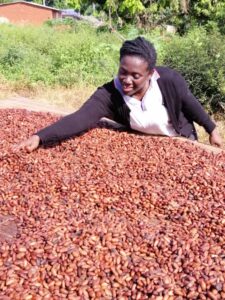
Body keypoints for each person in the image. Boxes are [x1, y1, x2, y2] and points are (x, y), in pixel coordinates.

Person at [15, 36, 222, 152]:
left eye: (136, 75)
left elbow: (190, 103)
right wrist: (40, 137)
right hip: (146, 145)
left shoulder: (168, 79)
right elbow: (80, 118)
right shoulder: (109, 94)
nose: (127, 80)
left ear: (150, 73)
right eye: (123, 72)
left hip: (180, 139)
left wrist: (212, 129)